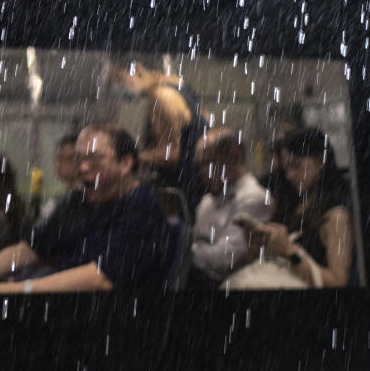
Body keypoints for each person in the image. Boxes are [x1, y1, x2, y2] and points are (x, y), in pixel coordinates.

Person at [0, 123, 172, 294]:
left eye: (94, 159)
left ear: (125, 163)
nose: (83, 168)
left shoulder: (142, 208)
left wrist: (20, 289)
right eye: (78, 160)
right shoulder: (78, 200)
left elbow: (100, 279)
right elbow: (33, 247)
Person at [250, 128, 353, 288]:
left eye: (296, 165)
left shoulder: (335, 215)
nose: (290, 175)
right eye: (286, 169)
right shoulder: (294, 204)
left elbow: (338, 281)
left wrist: (288, 249)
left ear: (320, 161)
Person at [108, 59, 207, 213]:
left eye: (119, 80)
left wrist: (131, 159)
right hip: (196, 183)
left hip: (185, 189)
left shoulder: (161, 96)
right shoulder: (177, 83)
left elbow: (172, 154)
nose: (117, 88)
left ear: (138, 70)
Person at [189, 128, 271, 289]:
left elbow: (227, 257)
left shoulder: (254, 198)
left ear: (234, 155)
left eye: (208, 162)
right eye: (199, 166)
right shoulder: (208, 200)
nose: (203, 172)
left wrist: (184, 252)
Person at [38, 134, 79, 222]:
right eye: (58, 157)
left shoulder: (79, 201)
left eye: (68, 158)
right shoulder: (62, 201)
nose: (58, 162)